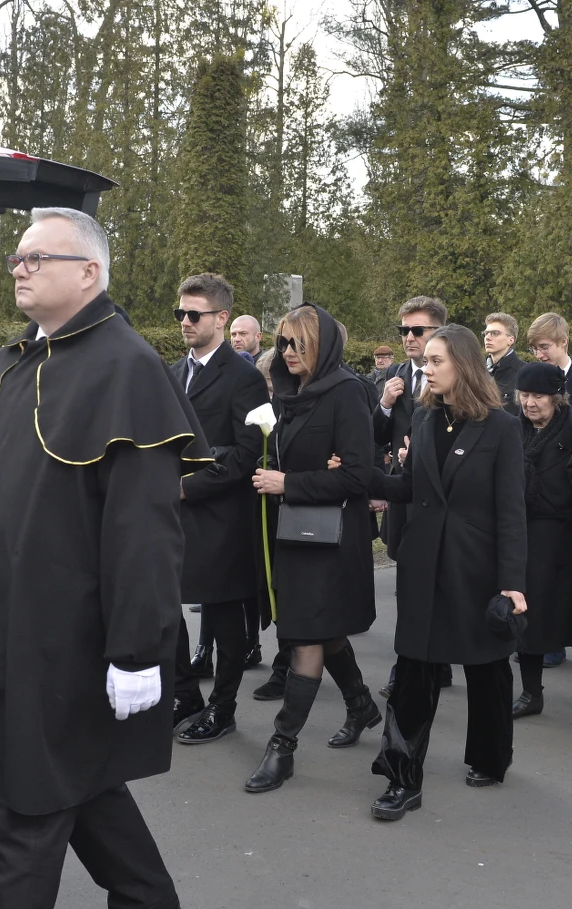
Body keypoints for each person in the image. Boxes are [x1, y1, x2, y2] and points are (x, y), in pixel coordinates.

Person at [0, 207, 207, 909]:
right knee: (79, 788)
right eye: (17, 258)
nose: (20, 268)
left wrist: (138, 649)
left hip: (62, 649)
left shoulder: (128, 370)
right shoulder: (7, 364)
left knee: (24, 813)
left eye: (37, 258)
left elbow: (144, 532)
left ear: (89, 272)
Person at [368, 325, 528, 820]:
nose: (428, 369)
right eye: (427, 361)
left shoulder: (501, 427)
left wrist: (513, 583)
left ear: (464, 364)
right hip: (423, 565)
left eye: (438, 361)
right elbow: (411, 487)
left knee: (487, 668)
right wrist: (360, 477)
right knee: (414, 671)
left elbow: (511, 511)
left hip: (477, 568)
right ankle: (402, 777)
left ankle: (490, 756)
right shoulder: (423, 417)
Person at [246, 303, 379, 793]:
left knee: (304, 638)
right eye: (283, 342)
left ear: (322, 346)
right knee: (321, 630)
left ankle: (282, 747)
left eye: (299, 343)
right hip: (295, 534)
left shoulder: (346, 392)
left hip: (331, 538)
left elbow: (358, 477)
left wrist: (290, 482)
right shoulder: (289, 394)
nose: (288, 351)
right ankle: (361, 704)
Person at [169, 274, 271, 745]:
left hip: (223, 516)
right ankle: (185, 695)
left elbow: (248, 454)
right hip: (173, 514)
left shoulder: (243, 377)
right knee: (165, 608)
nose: (185, 322)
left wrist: (186, 487)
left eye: (195, 314)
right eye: (181, 313)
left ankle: (223, 708)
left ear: (221, 317)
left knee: (225, 618)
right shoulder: (172, 372)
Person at [374, 296, 455, 698]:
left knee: (437, 581)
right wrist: (385, 405)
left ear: (439, 332)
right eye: (403, 330)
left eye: (417, 330)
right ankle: (419, 663)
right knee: (406, 578)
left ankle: (424, 662)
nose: (408, 337)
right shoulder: (394, 375)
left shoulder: (457, 377)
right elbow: (374, 435)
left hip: (441, 501)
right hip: (404, 494)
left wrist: (422, 456)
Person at [510, 362, 572, 718]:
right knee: (524, 611)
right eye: (524, 395)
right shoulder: (512, 427)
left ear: (557, 397)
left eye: (538, 396)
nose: (530, 403)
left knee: (570, 612)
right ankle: (532, 693)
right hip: (522, 531)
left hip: (565, 535)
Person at [483, 311, 523, 415]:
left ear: (511, 340)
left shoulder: (524, 372)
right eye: (486, 333)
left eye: (495, 333)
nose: (488, 337)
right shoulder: (476, 370)